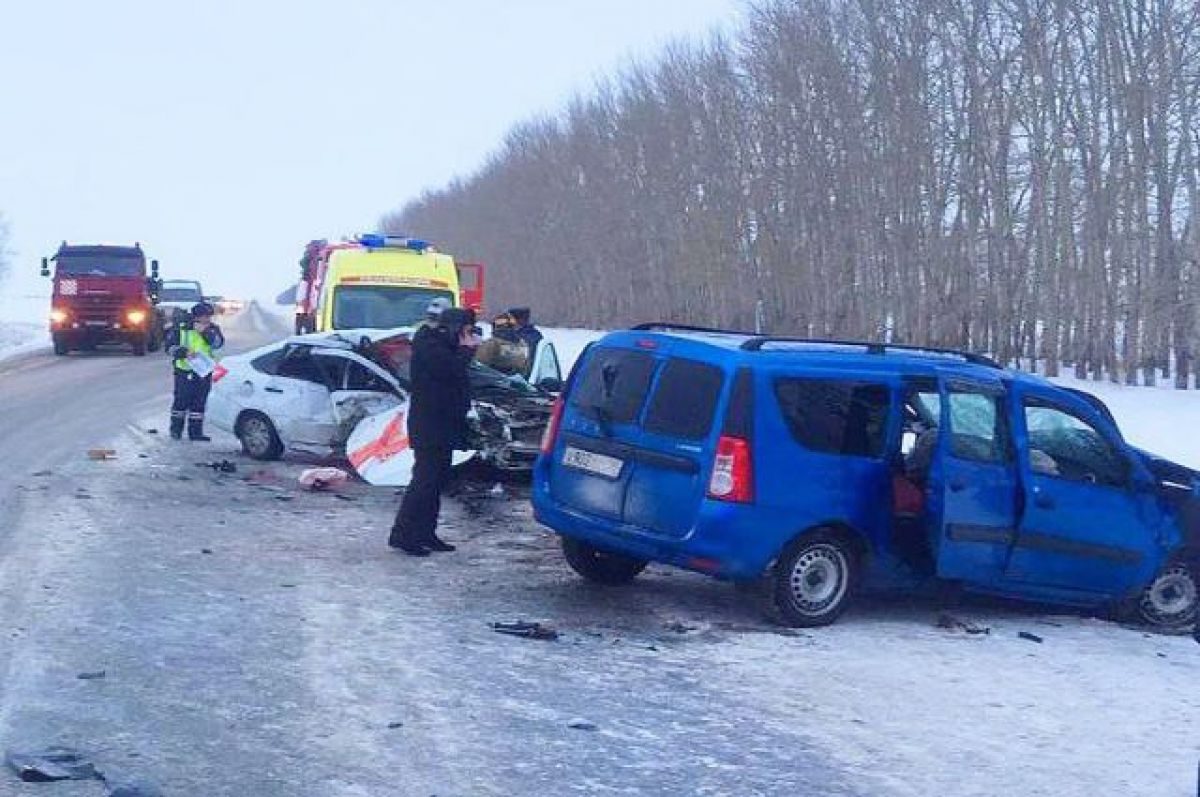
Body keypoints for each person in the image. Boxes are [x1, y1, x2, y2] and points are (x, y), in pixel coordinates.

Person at [389, 307, 480, 556]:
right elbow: (450, 371)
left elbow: (458, 375)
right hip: (430, 426)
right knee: (424, 482)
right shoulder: (430, 346)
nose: (469, 336)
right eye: (466, 330)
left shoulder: (443, 345)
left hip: (444, 425)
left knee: (436, 481)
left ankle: (426, 533)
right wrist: (466, 349)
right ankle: (404, 534)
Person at [167, 302, 225, 441]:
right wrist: (183, 352)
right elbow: (169, 348)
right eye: (205, 317)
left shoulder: (212, 329)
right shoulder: (182, 328)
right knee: (181, 402)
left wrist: (205, 332)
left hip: (204, 371)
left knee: (199, 403)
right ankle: (176, 430)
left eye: (209, 317)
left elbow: (218, 344)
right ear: (196, 317)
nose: (208, 320)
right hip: (184, 370)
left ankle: (196, 433)